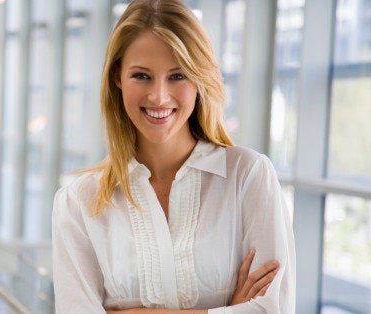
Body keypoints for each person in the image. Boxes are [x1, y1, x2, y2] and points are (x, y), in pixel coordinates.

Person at [52, 0, 295, 313]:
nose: (159, 96)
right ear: (117, 77)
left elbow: (274, 309)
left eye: (178, 76)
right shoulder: (78, 202)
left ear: (199, 79)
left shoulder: (248, 176)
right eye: (141, 76)